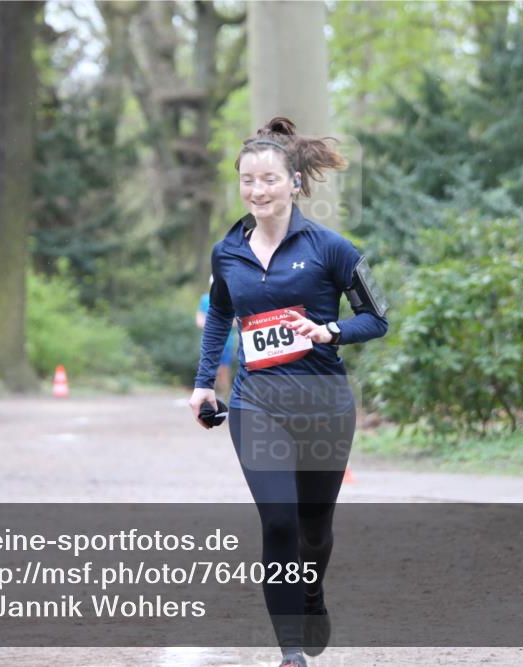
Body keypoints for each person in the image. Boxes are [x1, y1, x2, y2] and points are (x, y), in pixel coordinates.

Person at [189, 117, 388, 667]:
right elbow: (220, 317)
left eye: (269, 179)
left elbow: (378, 317)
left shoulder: (332, 249)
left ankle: (312, 592)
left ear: (294, 182)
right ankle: (291, 652)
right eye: (247, 180)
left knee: (315, 532)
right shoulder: (227, 252)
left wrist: (332, 331)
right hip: (258, 404)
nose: (258, 191)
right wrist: (205, 383)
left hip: (324, 404)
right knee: (278, 520)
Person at [196, 275, 236, 395]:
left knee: (224, 370)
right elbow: (199, 320)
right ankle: (213, 395)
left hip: (227, 342)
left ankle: (225, 395)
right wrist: (213, 325)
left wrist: (222, 323)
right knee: (211, 370)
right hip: (209, 342)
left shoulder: (231, 300)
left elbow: (236, 322)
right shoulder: (204, 299)